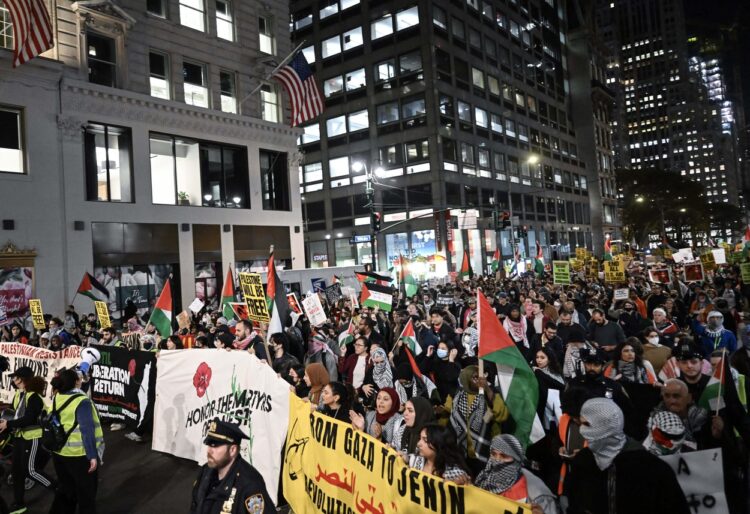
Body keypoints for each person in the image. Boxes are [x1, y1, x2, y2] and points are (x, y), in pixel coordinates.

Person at [564, 398, 689, 514]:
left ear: (607, 426)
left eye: (587, 425)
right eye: (581, 424)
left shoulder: (651, 468)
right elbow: (575, 504)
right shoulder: (583, 461)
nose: (582, 431)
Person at [48, 368, 104, 514]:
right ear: (76, 382)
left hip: (59, 452)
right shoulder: (82, 401)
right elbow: (87, 430)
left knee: (67, 492)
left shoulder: (57, 397)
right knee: (86, 496)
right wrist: (92, 456)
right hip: (79, 455)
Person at [190, 418, 274, 514]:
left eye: (215, 445)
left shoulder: (250, 483)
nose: (209, 450)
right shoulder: (206, 472)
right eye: (209, 444)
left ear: (232, 450)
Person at [0, 367, 54, 514]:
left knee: (31, 470)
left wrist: (8, 424)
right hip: (19, 438)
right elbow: (13, 413)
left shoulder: (34, 397)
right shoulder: (19, 395)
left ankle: (60, 490)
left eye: (16, 378)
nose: (13, 380)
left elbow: (29, 419)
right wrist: (5, 421)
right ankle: (19, 504)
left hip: (32, 438)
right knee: (17, 472)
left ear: (23, 379)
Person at [445, 365, 509, 475]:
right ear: (466, 379)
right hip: (461, 452)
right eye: (474, 377)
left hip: (485, 451)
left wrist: (487, 389)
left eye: (480, 377)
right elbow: (448, 414)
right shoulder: (455, 395)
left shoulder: (490, 393)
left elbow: (502, 415)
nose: (479, 380)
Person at [475, 434, 560, 514]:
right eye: (494, 454)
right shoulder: (483, 481)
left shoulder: (538, 495)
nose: (497, 460)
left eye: (504, 456)